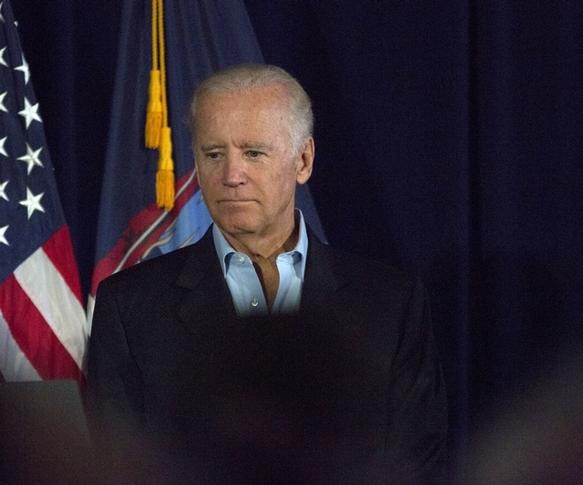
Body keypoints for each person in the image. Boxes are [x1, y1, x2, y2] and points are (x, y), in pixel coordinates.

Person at [86, 64, 447, 482]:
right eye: (213, 154)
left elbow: (417, 465)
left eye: (253, 153)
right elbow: (118, 466)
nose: (232, 176)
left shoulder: (391, 302)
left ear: (304, 160)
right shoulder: (128, 307)